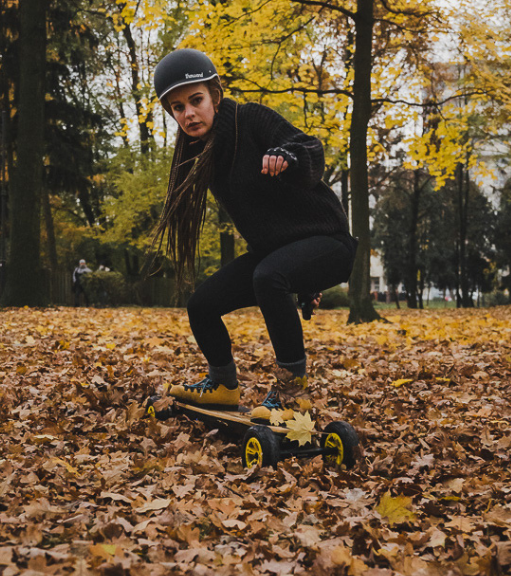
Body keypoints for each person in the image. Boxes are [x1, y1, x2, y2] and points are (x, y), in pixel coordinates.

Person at [152, 48, 357, 420]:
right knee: (202, 304)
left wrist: (287, 156)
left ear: (214, 95)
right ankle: (222, 385)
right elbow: (270, 223)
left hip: (330, 241)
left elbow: (309, 146)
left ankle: (293, 393)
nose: (189, 114)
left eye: (196, 100)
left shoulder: (250, 118)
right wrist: (303, 281)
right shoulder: (206, 156)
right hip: (280, 253)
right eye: (178, 108)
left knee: (269, 275)